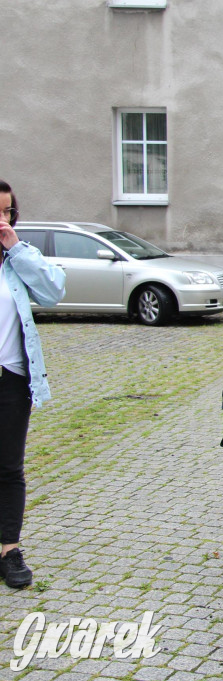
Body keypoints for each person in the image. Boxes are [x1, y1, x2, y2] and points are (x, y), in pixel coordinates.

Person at [0, 180, 66, 589]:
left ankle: (8, 550)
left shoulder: (17, 259)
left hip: (11, 377)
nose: (1, 219)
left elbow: (54, 290)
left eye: (7, 211)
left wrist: (16, 248)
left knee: (8, 468)